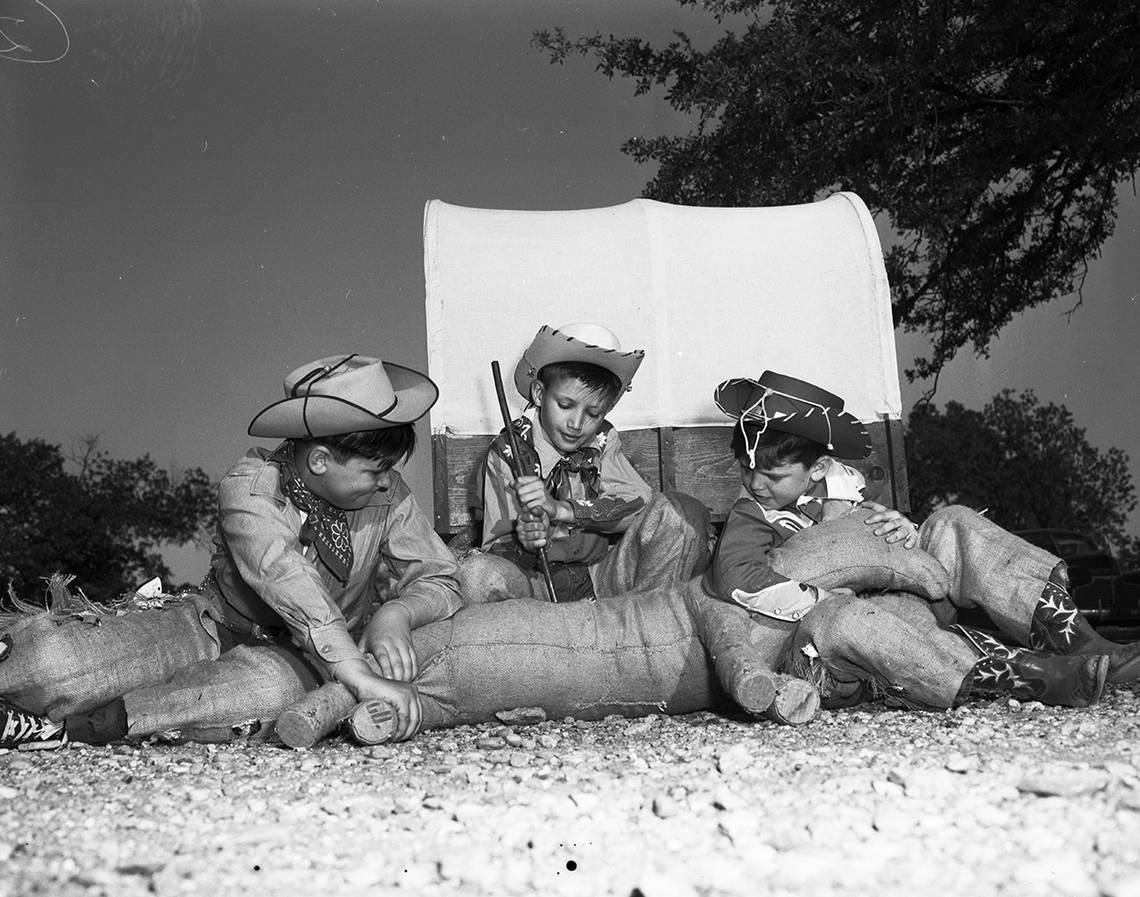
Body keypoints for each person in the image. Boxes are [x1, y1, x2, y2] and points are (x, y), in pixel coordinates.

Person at [0, 353, 461, 748]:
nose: (387, 480)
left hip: (300, 658)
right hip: (212, 626)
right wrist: (358, 675)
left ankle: (71, 728)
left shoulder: (390, 496)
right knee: (55, 665)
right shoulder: (251, 486)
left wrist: (396, 613)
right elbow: (288, 579)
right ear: (320, 460)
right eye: (376, 468)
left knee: (267, 692)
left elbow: (441, 575)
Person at [703, 370, 1140, 711]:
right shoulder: (753, 513)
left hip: (910, 601)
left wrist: (903, 531)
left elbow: (889, 556)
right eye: (746, 468)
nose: (755, 483)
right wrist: (818, 593)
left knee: (951, 521)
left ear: (817, 470)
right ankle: (1030, 676)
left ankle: (1073, 636)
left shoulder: (845, 493)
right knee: (850, 621)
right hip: (839, 641)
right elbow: (735, 576)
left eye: (772, 475)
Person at [458, 322, 711, 603]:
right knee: (478, 575)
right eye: (565, 406)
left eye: (593, 413)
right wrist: (527, 542)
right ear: (539, 394)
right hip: (537, 590)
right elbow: (497, 549)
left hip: (601, 582)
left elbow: (639, 504)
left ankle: (646, 628)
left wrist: (561, 510)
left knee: (679, 513)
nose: (577, 424)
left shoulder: (603, 440)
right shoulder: (507, 452)